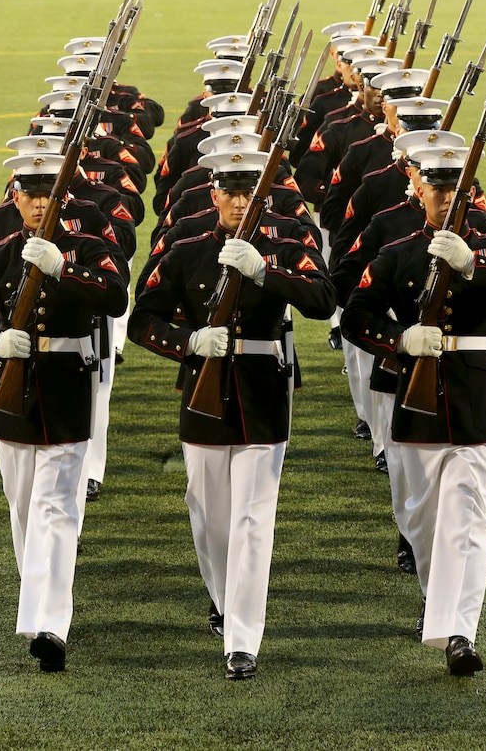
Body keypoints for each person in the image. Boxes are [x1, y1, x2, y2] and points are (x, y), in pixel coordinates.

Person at [341, 146, 486, 676]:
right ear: (420, 192)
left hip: (476, 394)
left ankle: (460, 631)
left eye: (457, 188)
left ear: (471, 192)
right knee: (421, 517)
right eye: (437, 188)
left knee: (466, 514)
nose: (447, 198)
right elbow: (356, 317)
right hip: (417, 392)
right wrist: (400, 338)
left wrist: (474, 265)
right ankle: (439, 605)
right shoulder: (398, 251)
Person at [128, 150, 336, 681]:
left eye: (251, 193)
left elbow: (321, 297)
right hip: (204, 391)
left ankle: (243, 639)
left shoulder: (287, 239)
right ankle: (223, 601)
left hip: (264, 393)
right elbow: (141, 319)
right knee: (208, 515)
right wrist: (189, 341)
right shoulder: (187, 244)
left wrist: (266, 273)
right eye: (231, 191)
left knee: (252, 521)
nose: (240, 202)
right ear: (213, 193)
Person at [0, 153, 128, 673]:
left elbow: (114, 295)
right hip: (13, 397)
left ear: (63, 199)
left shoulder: (88, 247)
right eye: (30, 193)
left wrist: (62, 269)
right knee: (23, 510)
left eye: (49, 194)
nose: (40, 202)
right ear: (14, 198)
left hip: (67, 391)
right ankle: (38, 603)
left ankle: (52, 624)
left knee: (57, 512)